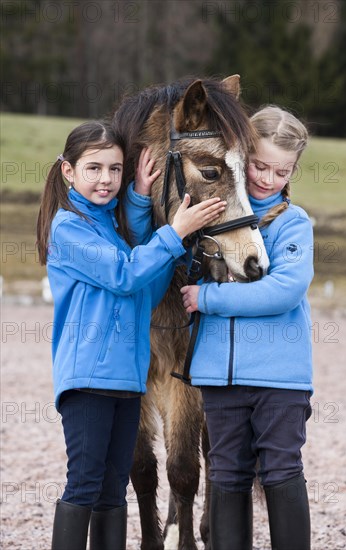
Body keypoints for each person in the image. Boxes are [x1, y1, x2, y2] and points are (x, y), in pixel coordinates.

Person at [36, 120, 227, 550]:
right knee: (84, 486)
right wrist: (176, 232)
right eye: (94, 169)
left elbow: (143, 272)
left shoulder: (107, 226)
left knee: (111, 492)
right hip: (88, 380)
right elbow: (125, 273)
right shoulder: (68, 228)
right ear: (68, 172)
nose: (106, 180)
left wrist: (140, 196)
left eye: (115, 170)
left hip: (125, 379)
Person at [180, 106, 313, 550]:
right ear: (241, 157)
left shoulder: (293, 223)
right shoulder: (209, 216)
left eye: (282, 171)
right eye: (259, 165)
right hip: (220, 376)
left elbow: (284, 291)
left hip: (280, 379)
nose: (268, 179)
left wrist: (211, 299)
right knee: (226, 473)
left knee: (280, 470)